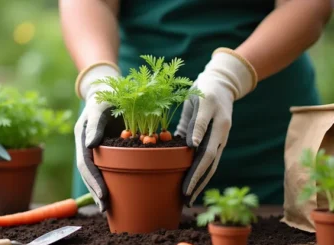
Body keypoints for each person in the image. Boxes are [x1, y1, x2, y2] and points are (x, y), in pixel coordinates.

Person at [59, 0, 332, 212]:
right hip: (124, 130)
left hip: (266, 133)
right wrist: (98, 78)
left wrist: (230, 76)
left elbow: (308, 5)